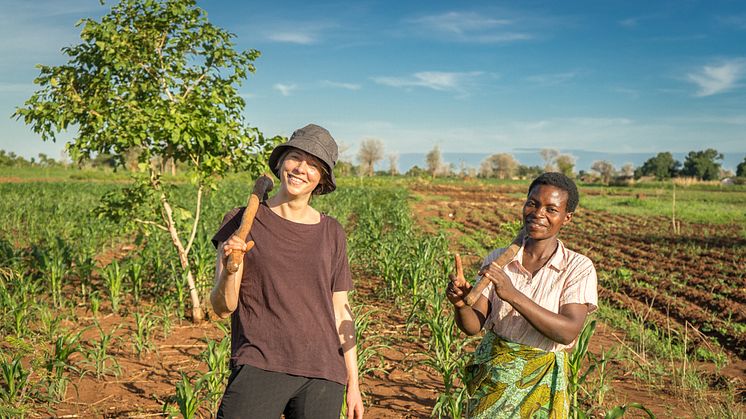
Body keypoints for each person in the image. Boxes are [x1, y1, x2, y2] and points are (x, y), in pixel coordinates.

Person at [210, 124, 364, 419]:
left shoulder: (331, 232)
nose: (301, 169)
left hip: (323, 372)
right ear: (281, 162)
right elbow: (223, 307)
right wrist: (232, 268)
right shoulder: (242, 223)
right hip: (261, 362)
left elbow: (342, 311)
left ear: (321, 180)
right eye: (296, 157)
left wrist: (353, 383)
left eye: (314, 165)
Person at [446, 172, 597, 418]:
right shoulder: (498, 259)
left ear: (567, 218)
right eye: (533, 203)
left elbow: (568, 330)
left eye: (551, 209)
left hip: (542, 383)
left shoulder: (578, 267)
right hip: (495, 378)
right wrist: (461, 304)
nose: (538, 213)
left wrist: (513, 294)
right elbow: (473, 326)